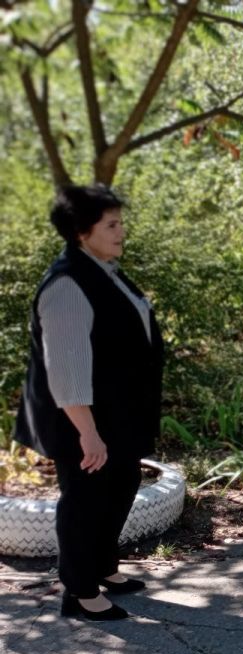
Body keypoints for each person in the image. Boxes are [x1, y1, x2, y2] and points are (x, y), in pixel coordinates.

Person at [15, 185, 164, 622]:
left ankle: (102, 567)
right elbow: (65, 368)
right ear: (83, 232)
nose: (121, 231)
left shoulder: (102, 269)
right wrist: (88, 433)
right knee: (84, 500)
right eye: (111, 224)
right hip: (81, 419)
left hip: (113, 414)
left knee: (120, 487)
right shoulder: (66, 286)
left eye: (121, 222)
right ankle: (79, 592)